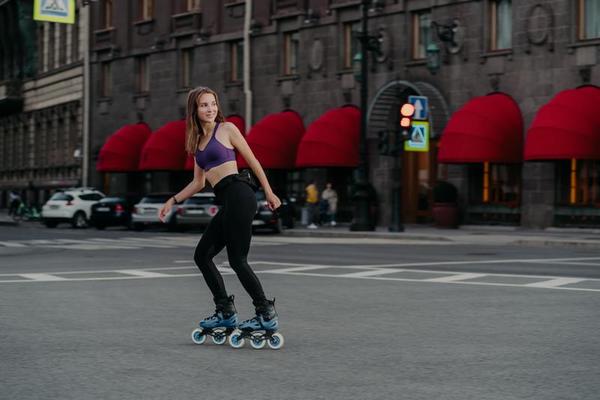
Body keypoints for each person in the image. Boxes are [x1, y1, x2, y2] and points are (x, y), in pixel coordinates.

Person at [158, 86, 282, 342]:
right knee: (202, 256)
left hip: (240, 194)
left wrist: (269, 192)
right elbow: (198, 182)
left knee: (238, 260)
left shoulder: (226, 129)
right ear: (194, 109)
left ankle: (265, 312)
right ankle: (225, 310)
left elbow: (254, 160)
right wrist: (172, 200)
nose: (210, 109)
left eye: (213, 103)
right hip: (228, 201)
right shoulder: (198, 144)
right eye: (204, 105)